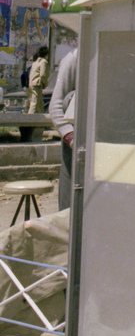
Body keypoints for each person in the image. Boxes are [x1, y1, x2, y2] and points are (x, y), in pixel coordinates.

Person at [48, 48, 78, 212]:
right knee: (70, 207)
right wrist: (70, 136)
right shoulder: (73, 59)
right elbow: (56, 105)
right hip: (75, 144)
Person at [24, 45, 49, 114]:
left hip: (31, 84)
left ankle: (41, 122)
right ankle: (30, 120)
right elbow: (43, 74)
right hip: (37, 84)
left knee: (40, 104)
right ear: (46, 54)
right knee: (34, 103)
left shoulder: (35, 62)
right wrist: (45, 83)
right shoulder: (43, 62)